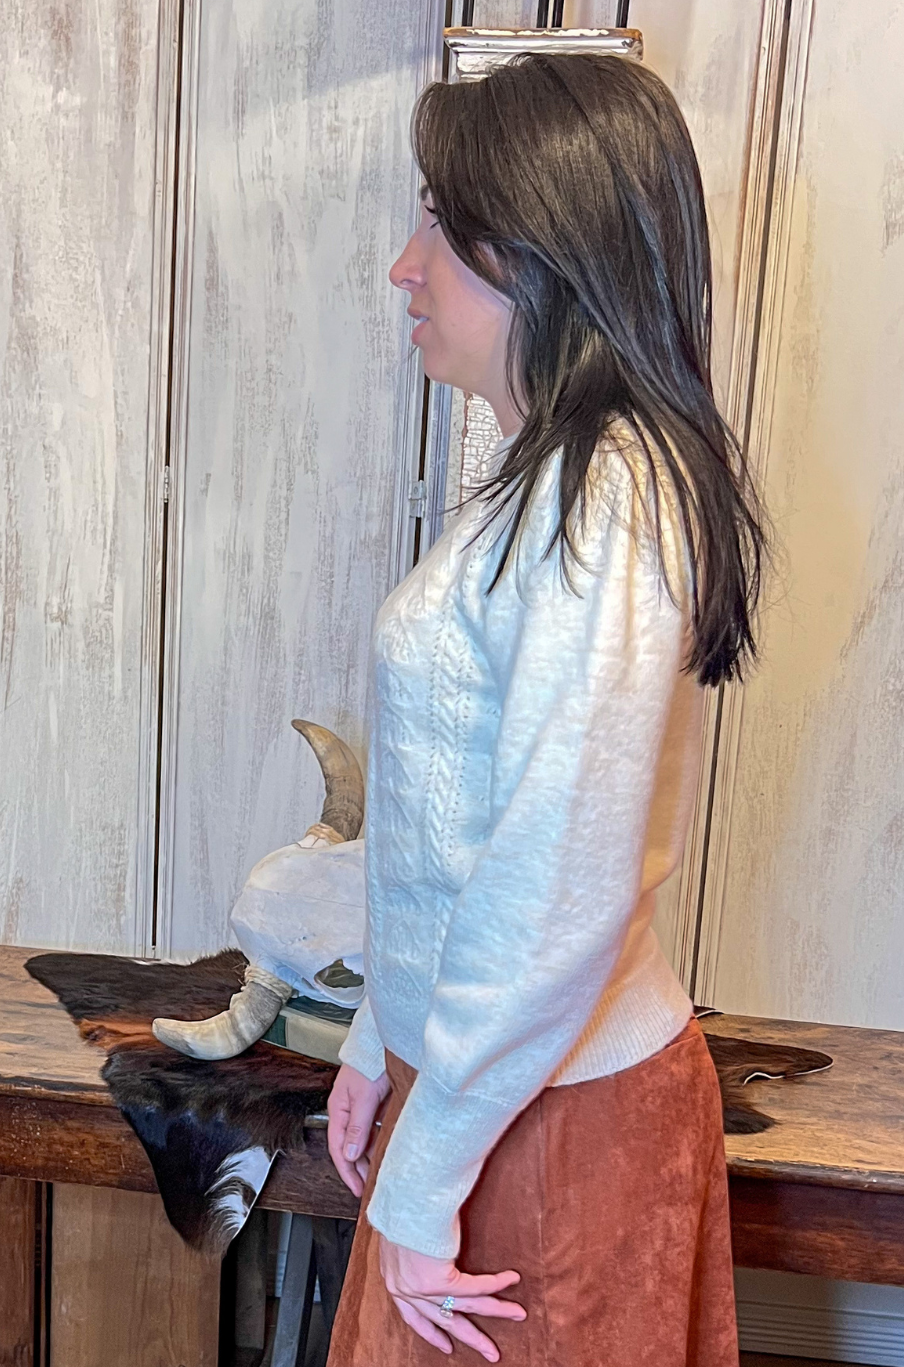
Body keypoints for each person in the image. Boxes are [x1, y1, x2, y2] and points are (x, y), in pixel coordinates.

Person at [325, 51, 768, 1367]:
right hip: (492, 1102)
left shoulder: (606, 504)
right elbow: (453, 831)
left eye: (437, 232)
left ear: (533, 258)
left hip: (546, 1125)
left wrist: (425, 1167)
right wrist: (376, 1033)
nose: (406, 269)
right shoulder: (555, 483)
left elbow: (554, 883)